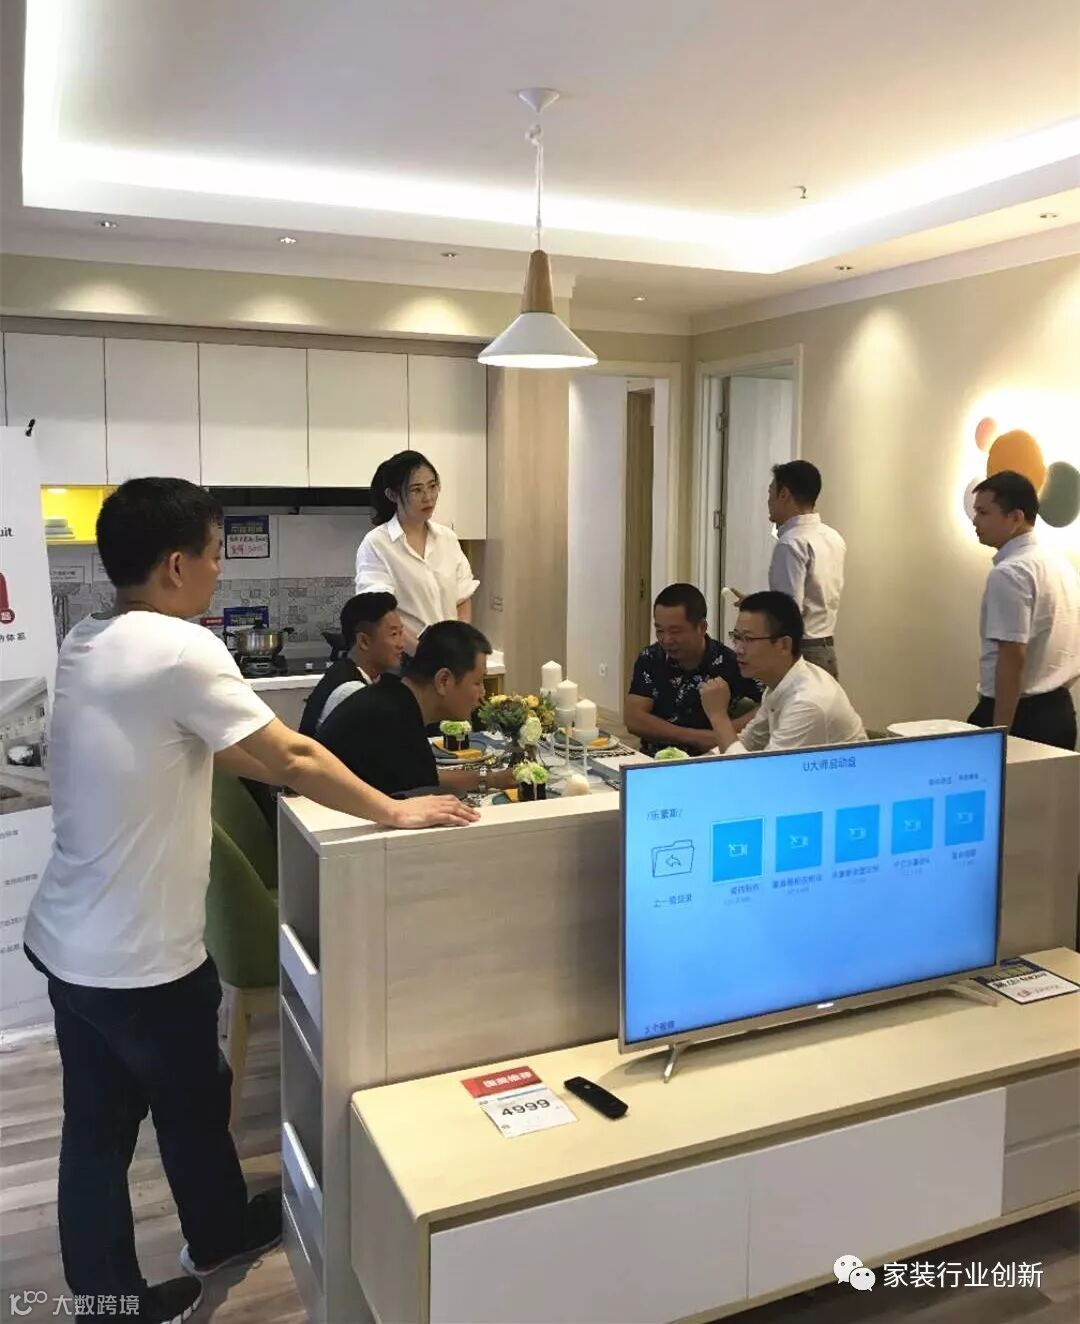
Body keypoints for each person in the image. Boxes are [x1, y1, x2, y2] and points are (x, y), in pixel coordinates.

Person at [22, 479, 475, 1324]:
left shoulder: (89, 638)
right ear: (176, 564)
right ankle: (204, 1242)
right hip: (139, 957)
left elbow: (207, 746)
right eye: (214, 555)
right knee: (187, 1103)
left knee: (101, 1132)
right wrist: (394, 809)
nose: (218, 572)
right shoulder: (178, 648)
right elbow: (291, 756)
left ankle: (138, 1281)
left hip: (68, 942)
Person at [318, 620, 517, 797]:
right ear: (443, 680)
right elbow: (420, 793)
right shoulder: (392, 720)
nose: (482, 693)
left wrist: (491, 779)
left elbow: (423, 777)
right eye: (477, 682)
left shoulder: (394, 697)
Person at [969, 470, 1079, 750]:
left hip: (1019, 715)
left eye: (983, 512)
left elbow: (1012, 656)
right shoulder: (1059, 563)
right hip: (1059, 710)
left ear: (1016, 518)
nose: (975, 521)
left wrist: (1001, 734)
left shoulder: (1011, 572)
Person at [701, 590, 866, 755]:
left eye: (748, 639)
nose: (738, 649)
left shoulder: (807, 703)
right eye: (736, 637)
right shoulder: (779, 682)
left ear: (784, 645)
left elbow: (754, 771)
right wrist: (695, 764)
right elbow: (751, 740)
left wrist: (718, 716)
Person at [354, 450, 479, 655]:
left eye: (432, 486)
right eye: (416, 490)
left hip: (449, 657)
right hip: (405, 659)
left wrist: (459, 645)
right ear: (392, 495)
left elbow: (462, 597)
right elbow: (382, 614)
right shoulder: (377, 544)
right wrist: (424, 654)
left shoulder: (447, 538)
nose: (428, 497)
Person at [625, 583, 760, 756]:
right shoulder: (651, 658)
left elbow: (771, 703)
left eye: (675, 631)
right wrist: (696, 737)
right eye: (660, 630)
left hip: (711, 760)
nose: (666, 640)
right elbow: (634, 719)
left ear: (702, 627)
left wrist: (727, 729)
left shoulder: (730, 663)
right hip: (654, 760)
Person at [760, 460, 846, 678]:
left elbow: (789, 611)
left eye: (770, 492)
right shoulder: (832, 537)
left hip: (802, 652)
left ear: (784, 494)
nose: (768, 500)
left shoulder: (791, 543)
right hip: (826, 648)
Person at [299, 591, 404, 736]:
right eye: (394, 634)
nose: (401, 644)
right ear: (364, 641)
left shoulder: (348, 672)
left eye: (401, 633)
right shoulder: (351, 692)